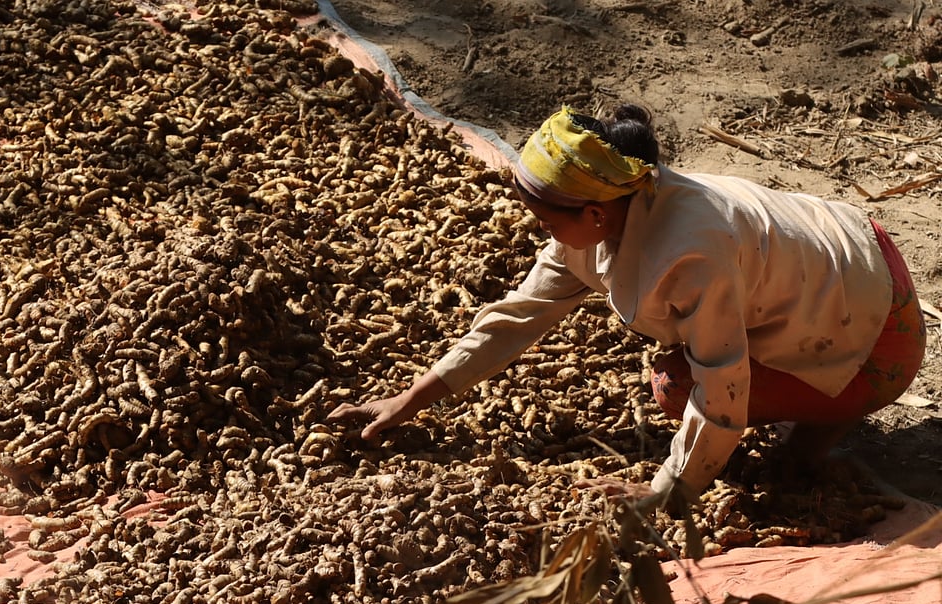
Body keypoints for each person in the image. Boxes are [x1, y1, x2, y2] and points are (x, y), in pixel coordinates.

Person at [328, 103, 927, 515]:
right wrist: (409, 401)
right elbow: (516, 317)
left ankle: (829, 418)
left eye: (545, 220)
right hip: (850, 253)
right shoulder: (608, 213)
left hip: (880, 329)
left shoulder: (690, 253)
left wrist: (665, 497)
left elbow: (721, 391)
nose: (541, 233)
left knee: (677, 384)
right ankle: (813, 409)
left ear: (594, 214)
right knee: (684, 370)